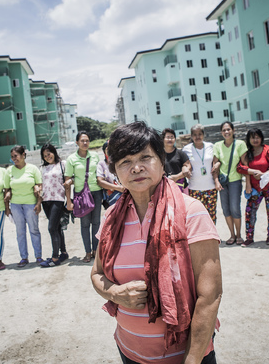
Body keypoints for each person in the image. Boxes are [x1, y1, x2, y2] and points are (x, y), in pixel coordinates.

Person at [91, 121, 222, 364]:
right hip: (129, 351)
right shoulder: (111, 217)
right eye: (125, 162)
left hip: (183, 356)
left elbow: (210, 296)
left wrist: (191, 360)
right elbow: (97, 274)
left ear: (162, 162)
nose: (136, 168)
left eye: (145, 157)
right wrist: (116, 293)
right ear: (115, 171)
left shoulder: (191, 212)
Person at [237, 128, 269, 247]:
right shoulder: (247, 152)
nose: (255, 140)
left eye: (257, 137)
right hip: (255, 189)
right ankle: (249, 237)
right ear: (249, 139)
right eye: (252, 137)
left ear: (261, 138)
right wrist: (252, 171)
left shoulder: (267, 150)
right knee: (250, 212)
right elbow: (240, 167)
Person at [65, 131, 102, 263]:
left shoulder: (95, 156)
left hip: (96, 193)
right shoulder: (71, 159)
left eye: (87, 140)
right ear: (77, 143)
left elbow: (100, 173)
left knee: (96, 223)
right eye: (82, 141)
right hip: (81, 196)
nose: (85, 143)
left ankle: (96, 251)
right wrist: (69, 201)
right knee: (85, 224)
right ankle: (87, 252)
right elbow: (67, 181)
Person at [5, 145, 43, 268]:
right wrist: (7, 207)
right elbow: (7, 189)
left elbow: (39, 186)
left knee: (34, 230)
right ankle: (24, 257)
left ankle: (38, 256)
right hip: (16, 205)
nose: (14, 159)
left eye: (16, 156)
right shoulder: (9, 171)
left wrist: (38, 203)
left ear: (23, 155)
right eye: (12, 157)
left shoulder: (33, 169)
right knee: (20, 232)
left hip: (30, 204)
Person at [213, 121, 248, 245]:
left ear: (233, 130)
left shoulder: (240, 144)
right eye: (224, 130)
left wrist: (248, 183)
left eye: (228, 129)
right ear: (221, 132)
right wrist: (216, 181)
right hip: (222, 182)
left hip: (235, 181)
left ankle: (239, 235)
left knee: (235, 208)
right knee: (226, 209)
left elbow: (245, 165)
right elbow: (215, 166)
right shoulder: (217, 145)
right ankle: (232, 235)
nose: (226, 132)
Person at [38, 143, 69, 267]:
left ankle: (55, 258)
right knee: (57, 228)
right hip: (46, 200)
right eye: (45, 155)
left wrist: (69, 200)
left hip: (58, 199)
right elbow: (40, 184)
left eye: (49, 154)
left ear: (54, 152)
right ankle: (64, 253)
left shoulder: (63, 164)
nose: (47, 157)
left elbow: (68, 181)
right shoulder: (42, 168)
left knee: (51, 228)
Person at [183, 124, 217, 225]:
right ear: (191, 136)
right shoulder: (186, 149)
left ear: (203, 135)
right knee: (197, 216)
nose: (197, 137)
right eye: (195, 134)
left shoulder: (210, 146)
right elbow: (185, 164)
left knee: (211, 215)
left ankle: (213, 238)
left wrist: (217, 165)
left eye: (200, 134)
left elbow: (216, 162)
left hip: (210, 188)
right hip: (194, 189)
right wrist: (186, 170)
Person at [162, 128, 192, 193]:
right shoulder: (159, 155)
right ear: (163, 139)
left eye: (172, 137)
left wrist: (176, 177)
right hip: (165, 188)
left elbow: (188, 167)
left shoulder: (180, 153)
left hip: (181, 187)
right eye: (167, 137)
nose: (170, 139)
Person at [97, 141, 125, 209]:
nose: (110, 150)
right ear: (104, 151)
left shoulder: (120, 161)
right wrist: (118, 188)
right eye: (107, 149)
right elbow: (100, 182)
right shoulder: (101, 164)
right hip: (112, 197)